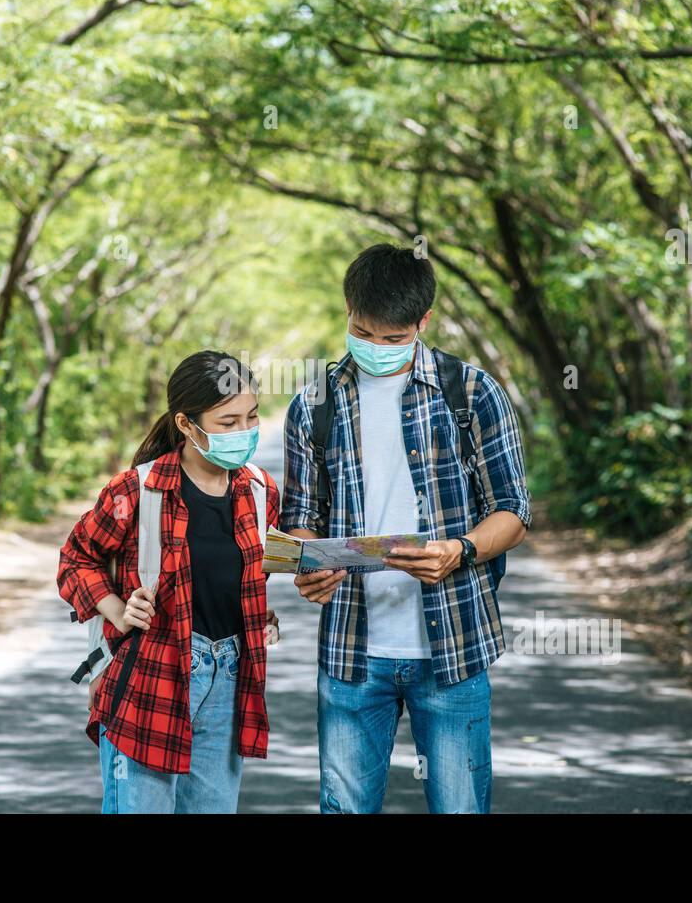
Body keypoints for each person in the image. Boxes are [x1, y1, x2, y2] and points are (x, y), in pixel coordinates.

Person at [281, 243, 531, 814]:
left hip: (453, 646)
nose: (376, 349)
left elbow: (514, 512)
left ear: (423, 323)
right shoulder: (312, 405)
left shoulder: (471, 393)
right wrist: (307, 567)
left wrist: (460, 550)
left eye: (393, 339)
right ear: (347, 310)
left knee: (460, 807)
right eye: (363, 333)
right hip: (351, 651)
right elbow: (300, 520)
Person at [58, 350, 280, 813]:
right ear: (186, 423)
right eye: (227, 422)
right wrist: (118, 609)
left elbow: (235, 582)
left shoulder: (259, 491)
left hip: (229, 682)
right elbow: (76, 559)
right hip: (151, 680)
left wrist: (264, 617)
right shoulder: (136, 491)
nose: (244, 432)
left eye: (251, 418)